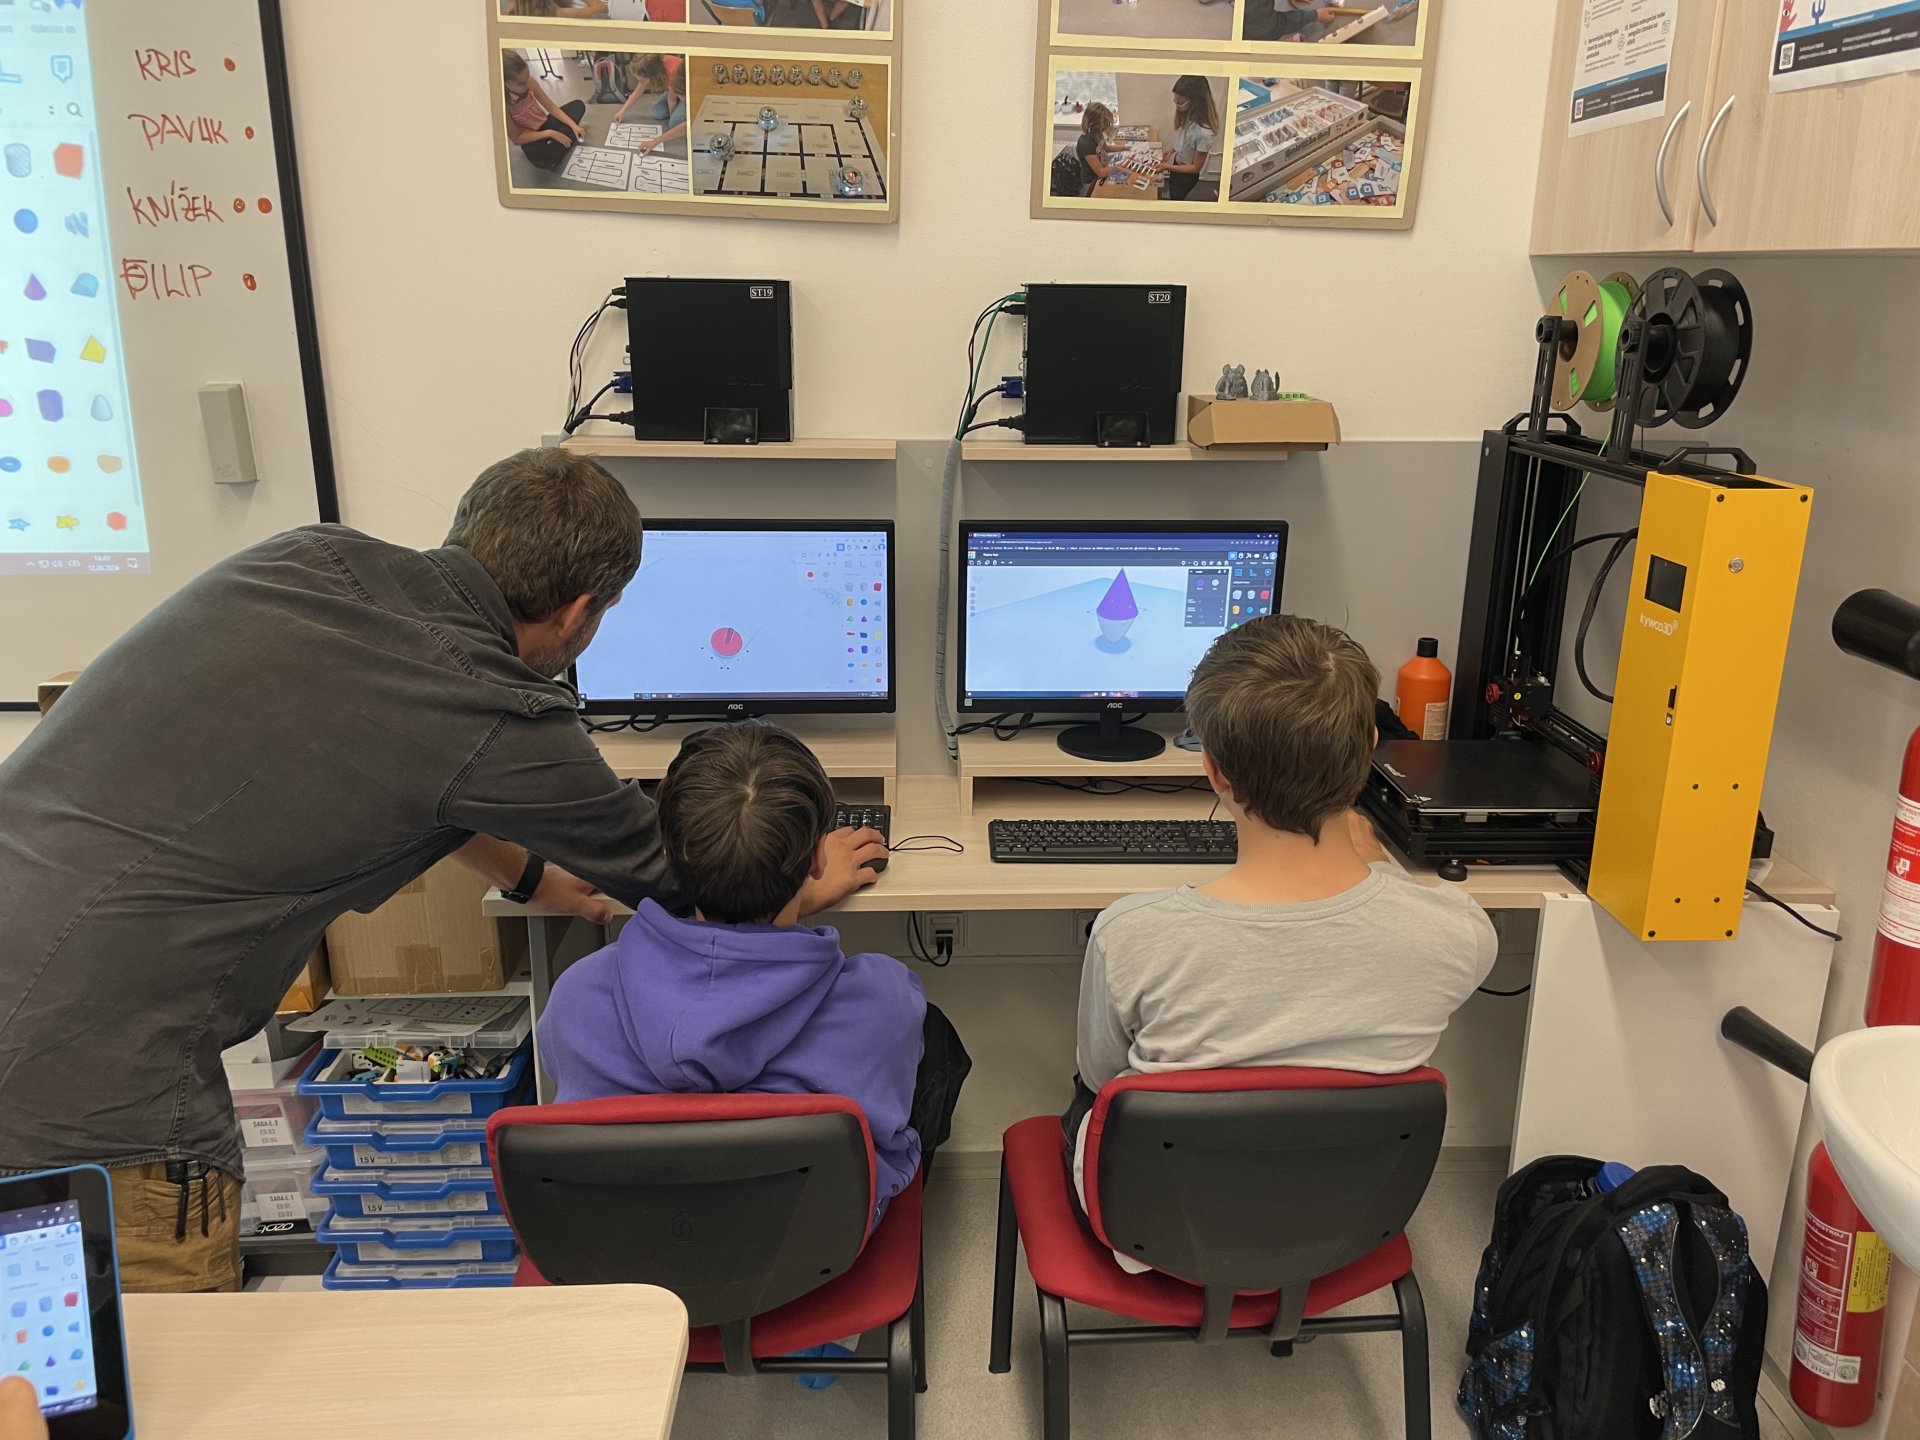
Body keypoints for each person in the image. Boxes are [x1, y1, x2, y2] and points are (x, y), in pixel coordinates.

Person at [0, 447, 889, 1293]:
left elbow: (408, 764)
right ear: (579, 613)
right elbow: (687, 872)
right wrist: (803, 877)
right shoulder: (497, 708)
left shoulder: (308, 557)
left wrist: (530, 877)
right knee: (134, 1368)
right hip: (90, 1076)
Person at [1065, 615, 1497, 1270]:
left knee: (1090, 1093)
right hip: (1343, 1226)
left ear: (1215, 771)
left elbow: (1102, 1076)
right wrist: (1381, 871)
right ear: (1370, 746)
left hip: (1154, 1233)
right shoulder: (1460, 930)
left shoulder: (1131, 933)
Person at [539, 721, 969, 1230]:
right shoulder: (882, 999)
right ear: (817, 860)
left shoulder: (575, 997)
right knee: (932, 1039)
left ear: (669, 854)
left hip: (621, 1244)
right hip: (814, 1245)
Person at [503, 51, 587, 171]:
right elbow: (517, 138)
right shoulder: (502, 104)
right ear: (504, 83)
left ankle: (565, 135)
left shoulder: (529, 81)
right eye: (521, 83)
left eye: (528, 78)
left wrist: (573, 125)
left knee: (578, 106)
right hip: (530, 137)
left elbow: (551, 107)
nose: (527, 85)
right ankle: (563, 136)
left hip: (544, 122)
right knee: (544, 158)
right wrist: (550, 133)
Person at [612, 54, 687, 154]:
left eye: (642, 80)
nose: (641, 82)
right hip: (673, 90)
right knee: (657, 113)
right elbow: (636, 92)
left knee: (674, 123)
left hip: (682, 89)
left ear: (652, 75)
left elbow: (672, 100)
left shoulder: (673, 71)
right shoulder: (650, 66)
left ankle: (681, 108)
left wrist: (672, 117)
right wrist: (621, 112)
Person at [1162, 75, 1219, 201]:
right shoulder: (1189, 116)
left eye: (1180, 103)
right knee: (1173, 188)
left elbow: (1195, 167)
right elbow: (1184, 138)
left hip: (1186, 175)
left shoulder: (1204, 134)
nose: (1177, 106)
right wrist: (1171, 150)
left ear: (1196, 102)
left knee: (1177, 197)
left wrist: (1167, 167)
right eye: (1175, 101)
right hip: (1177, 165)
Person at [1075, 101, 1122, 194]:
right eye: (1102, 126)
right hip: (1091, 181)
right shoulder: (1085, 143)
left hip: (1101, 171)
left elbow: (1107, 148)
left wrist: (1126, 148)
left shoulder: (1096, 134)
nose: (1104, 129)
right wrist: (1119, 167)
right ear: (1093, 124)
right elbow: (1100, 172)